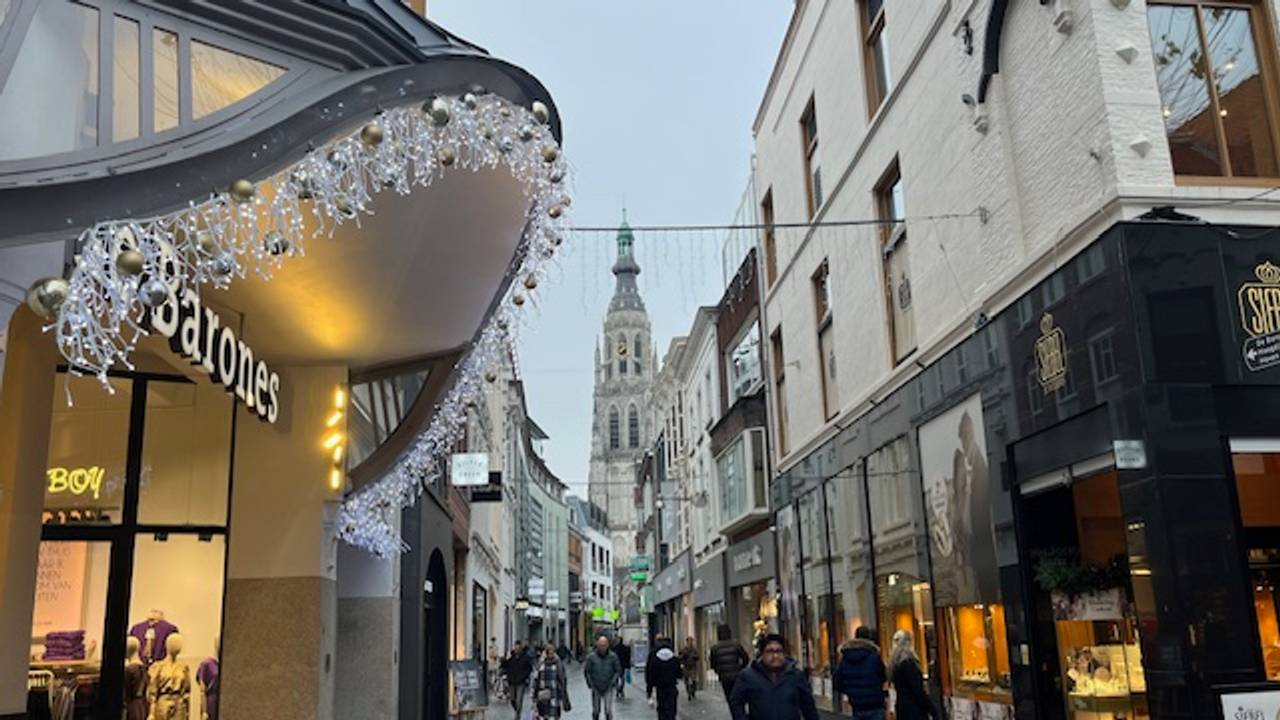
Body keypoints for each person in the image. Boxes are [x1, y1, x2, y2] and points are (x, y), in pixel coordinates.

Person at [728, 634, 819, 720]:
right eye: (770, 651)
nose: (775, 656)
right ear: (762, 654)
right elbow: (736, 702)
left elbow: (808, 707)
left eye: (779, 651)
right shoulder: (748, 676)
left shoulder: (795, 676)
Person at [833, 626, 888, 720]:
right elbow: (883, 677)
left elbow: (837, 682)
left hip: (857, 705)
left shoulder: (845, 658)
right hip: (875, 704)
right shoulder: (874, 657)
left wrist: (851, 691)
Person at [888, 630, 938, 720]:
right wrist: (932, 710)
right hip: (914, 709)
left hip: (902, 707)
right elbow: (917, 690)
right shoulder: (908, 663)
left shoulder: (894, 663)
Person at [709, 623, 751, 703]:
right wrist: (740, 668)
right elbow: (745, 658)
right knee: (739, 697)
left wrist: (719, 671)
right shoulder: (735, 644)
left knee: (730, 698)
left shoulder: (715, 648)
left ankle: (734, 712)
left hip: (724, 677)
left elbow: (713, 664)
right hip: (736, 675)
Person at [583, 635, 623, 720]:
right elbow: (587, 671)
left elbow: (618, 670)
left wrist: (613, 681)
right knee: (596, 710)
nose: (602, 648)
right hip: (596, 686)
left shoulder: (613, 657)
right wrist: (590, 683)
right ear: (597, 645)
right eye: (601, 645)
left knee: (608, 710)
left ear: (607, 645)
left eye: (604, 645)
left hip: (608, 685)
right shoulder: (591, 657)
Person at [645, 637, 683, 720]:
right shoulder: (673, 658)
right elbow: (679, 674)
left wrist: (649, 690)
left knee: (662, 708)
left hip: (660, 687)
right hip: (671, 686)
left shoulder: (655, 658)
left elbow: (650, 674)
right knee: (671, 709)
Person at [532, 644, 571, 719]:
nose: (551, 655)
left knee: (555, 714)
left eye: (552, 653)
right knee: (544, 714)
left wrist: (563, 692)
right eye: (549, 653)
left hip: (555, 692)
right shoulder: (541, 663)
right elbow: (536, 677)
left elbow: (562, 678)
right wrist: (534, 693)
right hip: (544, 693)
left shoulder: (558, 663)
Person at [500, 641, 534, 720]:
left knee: (519, 700)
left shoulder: (525, 658)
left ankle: (517, 716)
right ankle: (517, 710)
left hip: (521, 682)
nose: (517, 649)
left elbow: (529, 669)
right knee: (512, 699)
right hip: (511, 681)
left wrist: (524, 676)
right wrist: (503, 660)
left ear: (521, 649)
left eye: (518, 648)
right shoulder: (511, 658)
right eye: (516, 648)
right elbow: (504, 665)